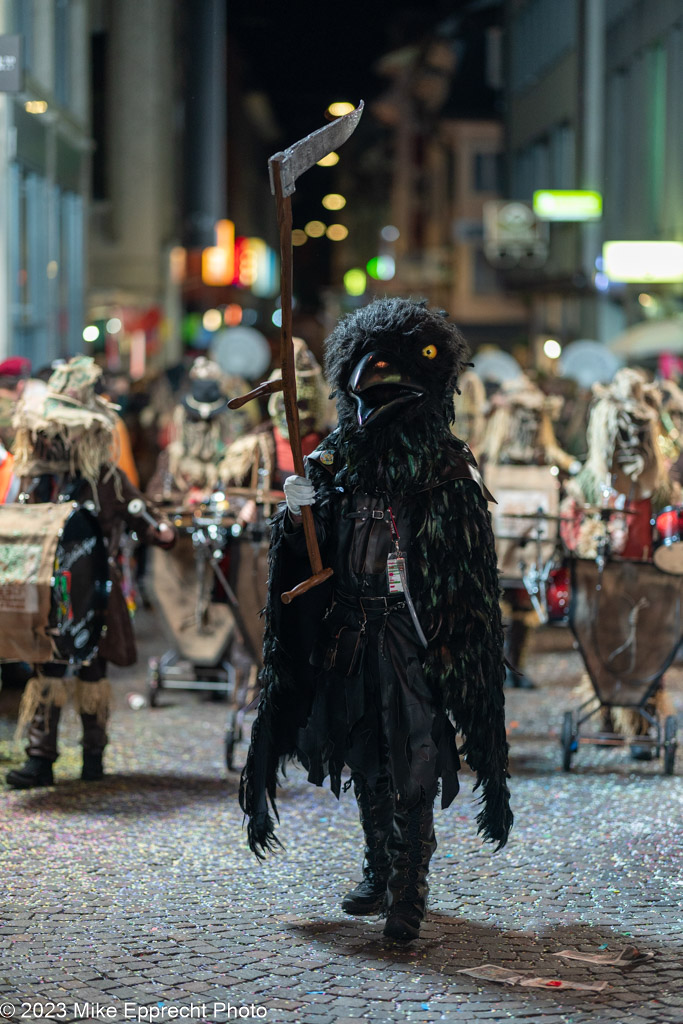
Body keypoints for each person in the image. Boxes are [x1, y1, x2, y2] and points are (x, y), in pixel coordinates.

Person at [239, 298, 512, 942]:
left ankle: (409, 886)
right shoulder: (336, 458)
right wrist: (297, 505)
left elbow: (467, 575)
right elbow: (309, 544)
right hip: (350, 633)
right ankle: (378, 864)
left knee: (414, 757)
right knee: (364, 753)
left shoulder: (446, 471)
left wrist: (453, 647)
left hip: (410, 638)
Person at [6, 355, 175, 789]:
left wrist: (161, 531)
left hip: (97, 588)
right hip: (49, 591)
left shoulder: (106, 477)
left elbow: (140, 514)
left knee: (93, 669)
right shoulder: (30, 475)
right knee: (48, 668)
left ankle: (93, 754)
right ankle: (40, 758)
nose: (58, 438)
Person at [146, 356, 255, 506]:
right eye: (195, 419)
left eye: (211, 420)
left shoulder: (235, 460)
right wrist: (185, 498)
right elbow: (157, 496)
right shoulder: (172, 459)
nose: (203, 427)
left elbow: (247, 495)